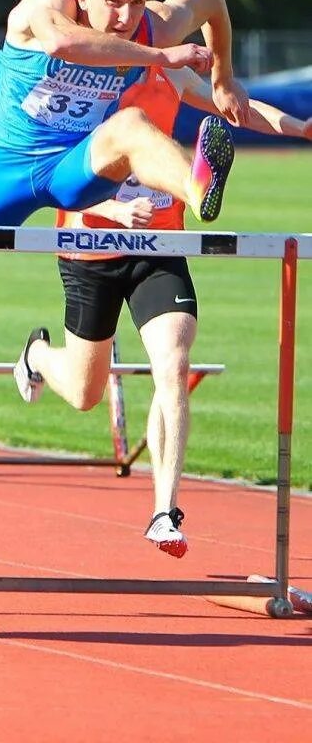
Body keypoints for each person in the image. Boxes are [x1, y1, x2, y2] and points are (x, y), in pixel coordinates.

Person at [17, 44, 312, 558]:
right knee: (86, 394)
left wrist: (301, 128)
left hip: (160, 248)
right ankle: (37, 356)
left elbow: (237, 106)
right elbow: (49, 171)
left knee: (173, 364)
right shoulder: (82, 82)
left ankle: (164, 511)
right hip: (90, 247)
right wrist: (110, 206)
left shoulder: (169, 76)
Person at [0, 0, 248, 324]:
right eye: (112, 1)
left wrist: (223, 79)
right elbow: (62, 44)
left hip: (75, 163)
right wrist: (161, 57)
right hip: (4, 165)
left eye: (137, 2)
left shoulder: (154, 26)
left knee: (131, 124)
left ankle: (195, 185)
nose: (125, 17)